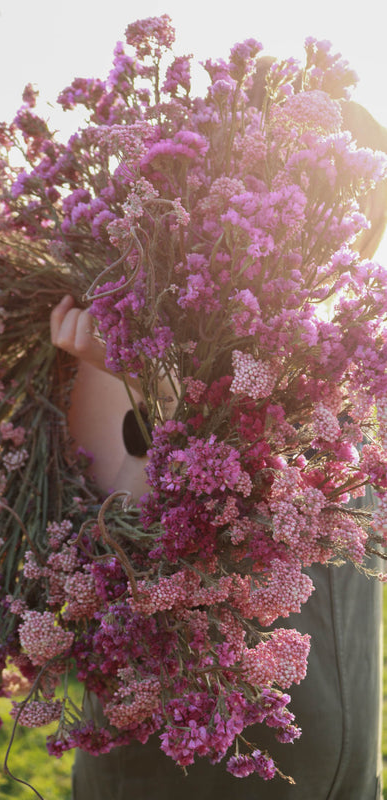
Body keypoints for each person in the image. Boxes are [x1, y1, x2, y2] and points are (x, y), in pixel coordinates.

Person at [49, 98, 387, 800]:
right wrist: (138, 380)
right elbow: (114, 535)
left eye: (358, 197)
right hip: (180, 771)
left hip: (339, 768)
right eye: (318, 186)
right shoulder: (132, 325)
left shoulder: (352, 350)